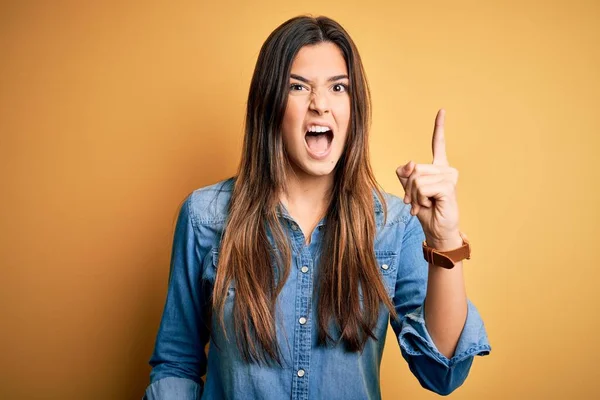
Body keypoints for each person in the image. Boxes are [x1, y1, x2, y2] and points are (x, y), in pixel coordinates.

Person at [143, 15, 491, 400]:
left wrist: (444, 239)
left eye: (338, 87)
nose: (320, 105)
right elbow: (177, 364)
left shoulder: (394, 224)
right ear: (269, 104)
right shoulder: (205, 216)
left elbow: (442, 371)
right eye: (297, 87)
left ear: (353, 107)